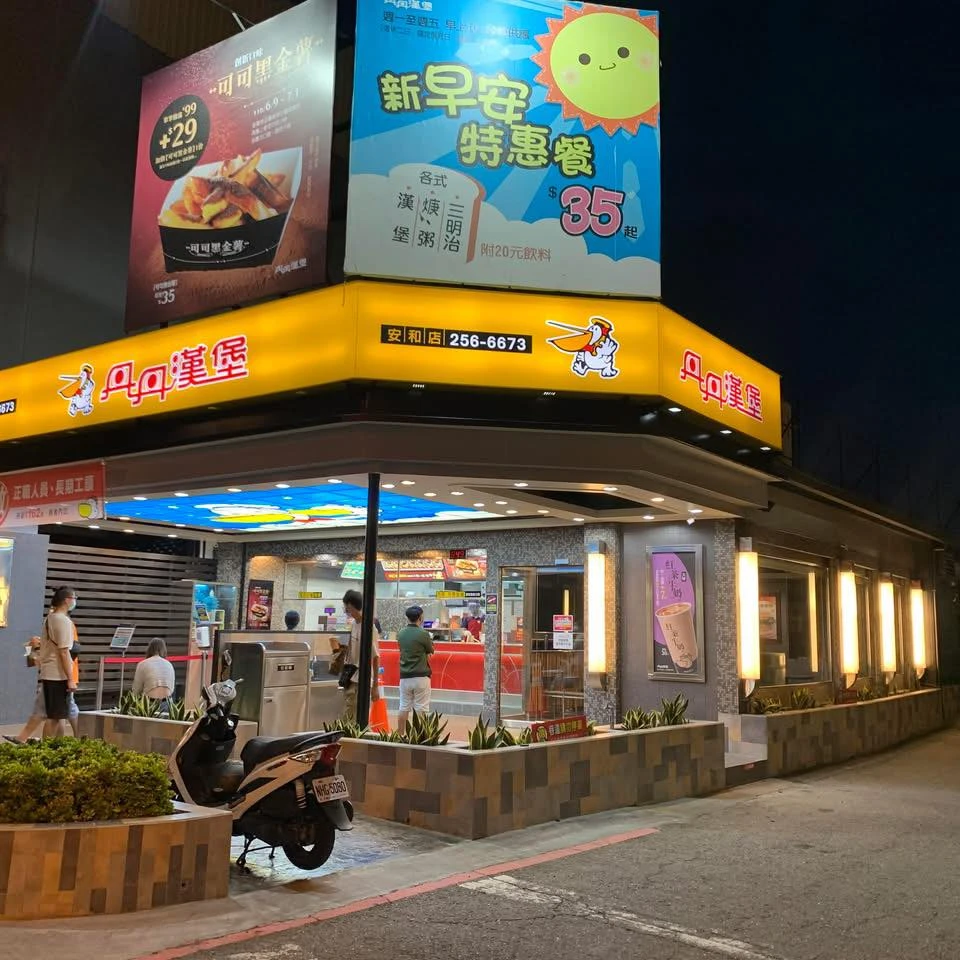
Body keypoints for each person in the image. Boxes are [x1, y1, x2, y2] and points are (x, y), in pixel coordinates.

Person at [39, 586, 79, 738]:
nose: (75, 601)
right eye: (74, 598)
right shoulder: (63, 621)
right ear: (67, 600)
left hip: (49, 671)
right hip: (58, 675)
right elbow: (63, 651)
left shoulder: (50, 618)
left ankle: (55, 745)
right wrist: (70, 679)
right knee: (55, 718)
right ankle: (46, 747)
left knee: (58, 715)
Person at [341, 589, 381, 722]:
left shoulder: (369, 627)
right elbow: (350, 650)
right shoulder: (354, 624)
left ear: (351, 606)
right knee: (349, 717)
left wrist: (375, 686)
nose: (346, 611)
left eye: (347, 607)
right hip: (351, 678)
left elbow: (375, 658)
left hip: (362, 681)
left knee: (355, 719)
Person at [397, 604, 433, 733]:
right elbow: (430, 650)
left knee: (403, 706)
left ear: (407, 618)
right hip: (421, 676)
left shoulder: (401, 633)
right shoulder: (424, 634)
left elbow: (401, 649)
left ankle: (400, 734)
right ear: (420, 618)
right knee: (421, 709)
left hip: (405, 677)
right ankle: (418, 737)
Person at [132, 638, 176, 702]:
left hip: (149, 702)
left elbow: (136, 689)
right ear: (164, 650)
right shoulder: (169, 664)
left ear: (149, 649)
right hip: (167, 701)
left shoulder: (142, 664)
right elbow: (172, 688)